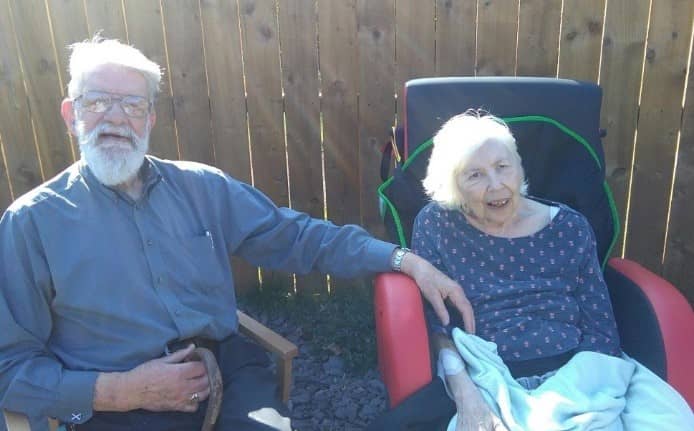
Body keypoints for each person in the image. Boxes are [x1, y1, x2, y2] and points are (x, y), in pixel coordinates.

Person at [0, 37, 474, 431]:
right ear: (70, 114)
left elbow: (297, 237)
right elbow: (10, 368)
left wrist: (401, 259)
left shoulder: (201, 188)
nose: (115, 119)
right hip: (117, 404)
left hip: (227, 375)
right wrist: (122, 392)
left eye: (132, 104)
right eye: (98, 102)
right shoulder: (32, 224)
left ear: (150, 119)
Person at [372, 111, 692, 430]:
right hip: (486, 369)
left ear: (518, 167)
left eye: (502, 167)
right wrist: (465, 392)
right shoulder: (436, 224)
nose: (496, 185)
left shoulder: (569, 227)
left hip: (575, 373)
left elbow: (601, 332)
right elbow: (437, 322)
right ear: (452, 185)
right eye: (475, 175)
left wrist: (561, 403)